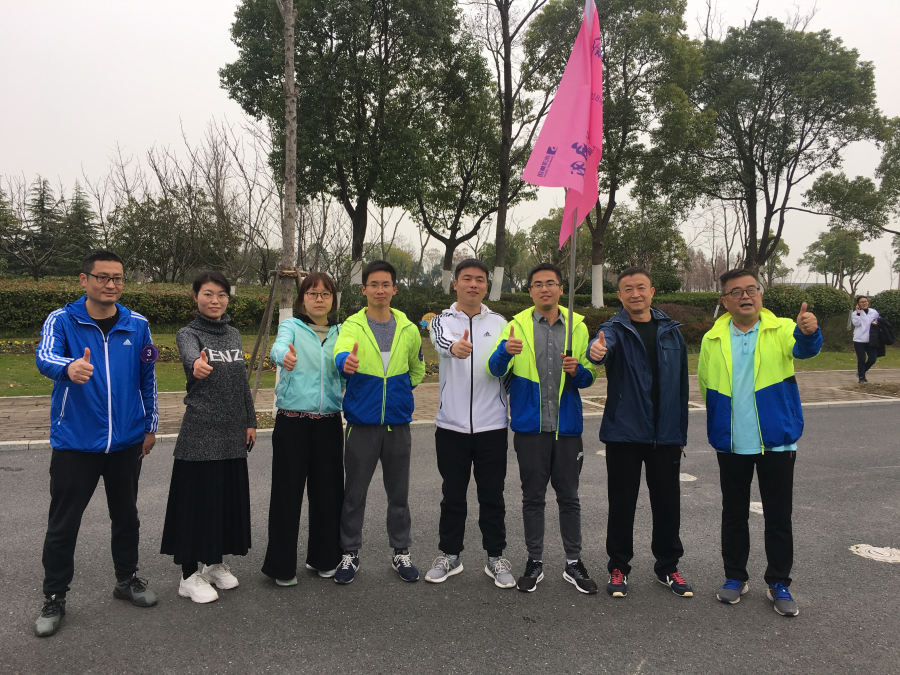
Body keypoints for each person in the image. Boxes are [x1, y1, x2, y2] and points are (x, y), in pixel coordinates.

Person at [34, 250, 159, 637]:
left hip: (126, 442)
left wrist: (150, 426)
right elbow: (44, 356)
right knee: (63, 524)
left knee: (126, 517)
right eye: (102, 277)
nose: (111, 285)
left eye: (117, 278)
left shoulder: (137, 324)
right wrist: (68, 367)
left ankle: (127, 579)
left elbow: (148, 377)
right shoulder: (62, 319)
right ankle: (55, 596)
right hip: (75, 443)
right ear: (83, 279)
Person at [698, 269, 821, 617]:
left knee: (778, 516)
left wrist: (809, 332)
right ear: (725, 301)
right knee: (733, 514)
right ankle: (735, 577)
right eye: (736, 292)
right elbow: (706, 386)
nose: (745, 296)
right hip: (732, 443)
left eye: (751, 289)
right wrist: (719, 425)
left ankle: (779, 582)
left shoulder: (781, 328)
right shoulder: (712, 338)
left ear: (761, 294)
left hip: (776, 442)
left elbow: (804, 348)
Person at [487, 263, 599, 594]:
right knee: (533, 497)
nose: (544, 288)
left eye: (551, 283)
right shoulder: (516, 326)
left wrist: (578, 371)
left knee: (569, 497)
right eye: (537, 284)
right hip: (530, 428)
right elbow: (495, 369)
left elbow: (589, 376)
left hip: (567, 428)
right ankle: (534, 561)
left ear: (561, 289)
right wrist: (504, 352)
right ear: (530, 291)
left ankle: (573, 562)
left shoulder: (578, 326)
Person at [587, 266, 692, 599]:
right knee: (622, 505)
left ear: (651, 291)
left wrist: (680, 434)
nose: (635, 294)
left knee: (667, 505)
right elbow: (601, 346)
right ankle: (619, 567)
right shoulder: (614, 329)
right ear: (619, 295)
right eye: (628, 289)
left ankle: (668, 567)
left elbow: (682, 387)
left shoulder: (671, 332)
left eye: (641, 287)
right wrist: (596, 351)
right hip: (624, 434)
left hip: (666, 435)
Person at [160, 271, 257, 603]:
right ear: (195, 297)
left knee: (224, 501)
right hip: (200, 431)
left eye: (221, 295)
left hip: (232, 431)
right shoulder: (188, 334)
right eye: (208, 294)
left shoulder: (233, 334)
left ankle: (214, 564)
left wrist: (250, 421)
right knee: (195, 503)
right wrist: (195, 366)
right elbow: (191, 357)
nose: (215, 301)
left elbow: (242, 383)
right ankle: (188, 575)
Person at [333, 260, 426, 584]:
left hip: (397, 424)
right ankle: (349, 552)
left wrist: (397, 392)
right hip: (362, 424)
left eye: (386, 284)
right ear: (364, 289)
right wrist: (345, 362)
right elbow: (340, 353)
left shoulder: (409, 329)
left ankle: (401, 551)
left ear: (395, 289)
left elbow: (417, 368)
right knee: (354, 494)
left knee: (398, 495)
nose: (380, 290)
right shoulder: (352, 325)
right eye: (374, 284)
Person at [425, 259, 514, 588]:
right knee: (452, 495)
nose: (473, 284)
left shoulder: (500, 322)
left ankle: (495, 557)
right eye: (467, 279)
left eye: (479, 279)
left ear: (486, 286)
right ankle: (450, 555)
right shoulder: (442, 321)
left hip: (493, 426)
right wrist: (455, 347)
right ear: (455, 284)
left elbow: (507, 368)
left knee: (493, 495)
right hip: (451, 426)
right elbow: (440, 343)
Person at [262, 271, 344, 587]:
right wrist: (284, 356)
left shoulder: (341, 331)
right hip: (292, 423)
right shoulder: (292, 327)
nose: (319, 299)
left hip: (328, 423)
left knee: (328, 494)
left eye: (325, 293)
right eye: (312, 293)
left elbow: (347, 368)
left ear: (333, 299)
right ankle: (281, 566)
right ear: (302, 299)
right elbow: (278, 348)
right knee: (287, 494)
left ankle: (325, 558)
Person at [851, 295, 880, 383]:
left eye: (865, 301)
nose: (864, 303)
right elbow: (856, 323)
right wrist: (858, 313)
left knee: (872, 359)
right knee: (861, 359)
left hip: (871, 339)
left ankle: (861, 372)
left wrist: (876, 323)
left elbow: (879, 320)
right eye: (862, 302)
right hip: (859, 340)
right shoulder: (855, 313)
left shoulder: (873, 312)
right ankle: (862, 378)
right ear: (858, 304)